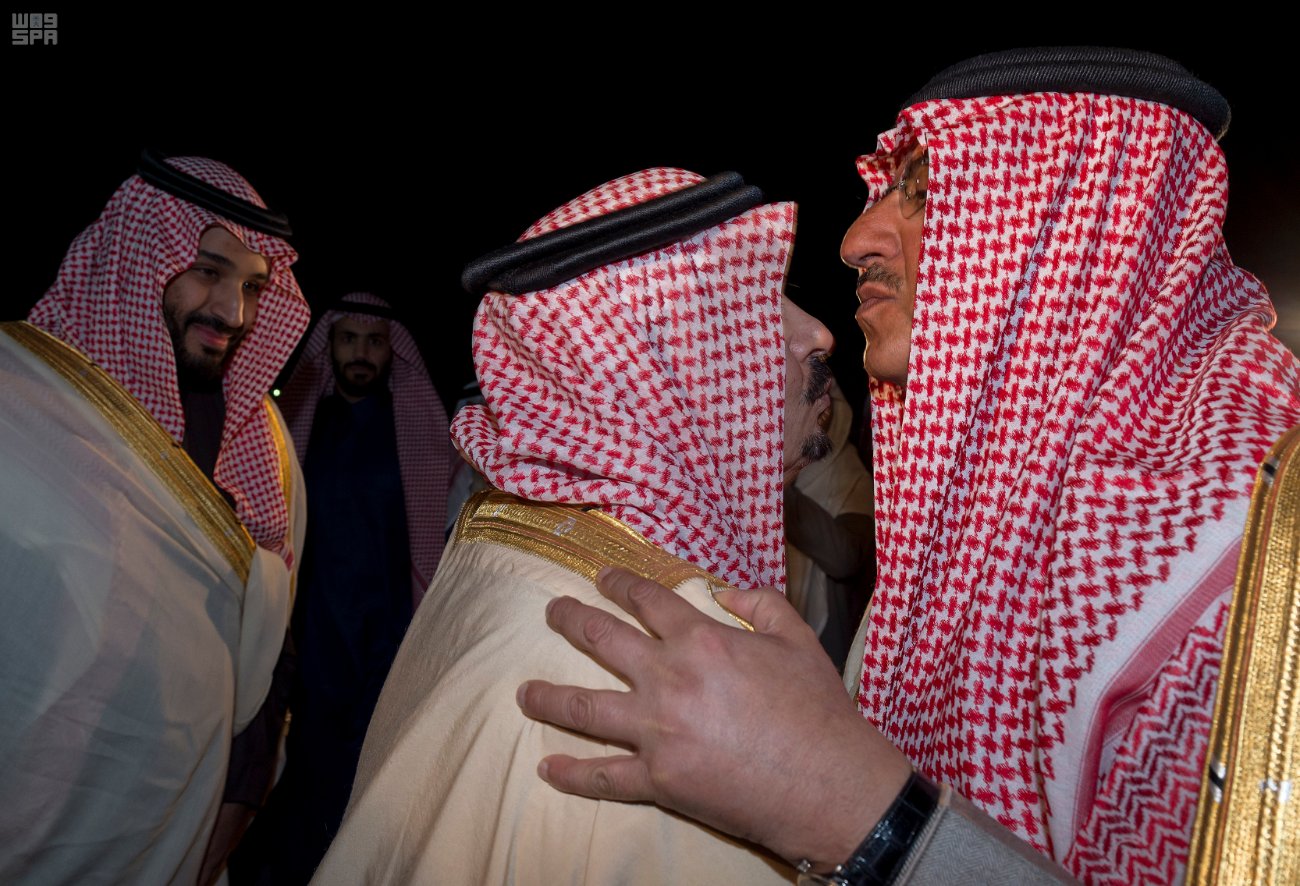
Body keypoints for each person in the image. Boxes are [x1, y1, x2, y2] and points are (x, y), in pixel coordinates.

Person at [515, 48, 1300, 884]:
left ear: (1084, 224)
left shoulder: (1255, 552)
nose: (855, 240)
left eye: (924, 195)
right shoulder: (987, 516)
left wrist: (852, 806)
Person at [312, 167, 835, 884]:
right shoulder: (679, 666)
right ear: (665, 366)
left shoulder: (505, 534)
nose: (818, 334)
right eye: (757, 308)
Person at [0, 153, 310, 884]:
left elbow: (268, 634)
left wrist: (239, 798)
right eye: (207, 270)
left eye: (252, 286)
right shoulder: (20, 406)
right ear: (139, 258)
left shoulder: (258, 442)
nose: (233, 313)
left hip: (177, 822)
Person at [233, 294, 450, 884]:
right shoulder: (298, 431)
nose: (361, 353)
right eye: (348, 339)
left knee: (376, 775)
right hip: (312, 639)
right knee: (304, 772)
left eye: (374, 341)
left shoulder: (412, 432)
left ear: (391, 350)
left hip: (390, 641)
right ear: (328, 345)